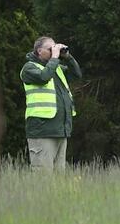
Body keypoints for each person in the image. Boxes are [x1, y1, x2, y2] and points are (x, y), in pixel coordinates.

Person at [20, 36, 82, 171]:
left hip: (60, 130)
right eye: (50, 49)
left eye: (55, 48)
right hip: (42, 131)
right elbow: (43, 77)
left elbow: (77, 75)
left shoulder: (56, 68)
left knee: (58, 180)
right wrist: (54, 58)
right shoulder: (29, 68)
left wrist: (68, 57)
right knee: (42, 177)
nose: (54, 51)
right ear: (39, 51)